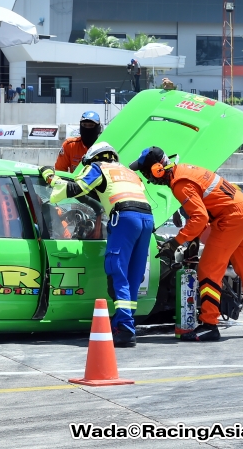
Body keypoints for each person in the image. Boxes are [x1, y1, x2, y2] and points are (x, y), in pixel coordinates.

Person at [129, 147, 243, 342]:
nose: (148, 178)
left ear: (157, 169)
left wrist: (175, 243)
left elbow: (199, 218)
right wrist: (192, 241)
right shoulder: (184, 171)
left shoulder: (180, 183)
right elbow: (203, 214)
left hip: (230, 218)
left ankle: (209, 325)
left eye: (147, 173)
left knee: (208, 270)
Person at [39, 142, 153, 347]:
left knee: (116, 269)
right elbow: (98, 195)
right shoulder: (128, 172)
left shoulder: (97, 167)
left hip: (125, 217)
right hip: (146, 219)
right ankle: (125, 323)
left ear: (92, 158)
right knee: (134, 273)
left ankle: (125, 328)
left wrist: (50, 176)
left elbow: (76, 188)